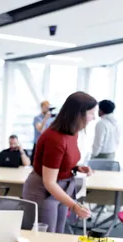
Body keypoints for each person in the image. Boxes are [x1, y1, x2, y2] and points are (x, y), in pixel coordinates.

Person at [23, 92, 94, 233]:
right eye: (91, 113)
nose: (94, 117)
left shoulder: (72, 133)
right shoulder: (55, 139)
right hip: (43, 191)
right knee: (46, 237)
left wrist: (76, 167)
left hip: (61, 189)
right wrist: (74, 206)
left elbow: (62, 160)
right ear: (78, 114)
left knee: (58, 234)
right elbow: (49, 182)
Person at [31, 100, 54, 164]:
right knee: (36, 163)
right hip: (38, 143)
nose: (47, 108)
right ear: (42, 107)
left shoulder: (53, 118)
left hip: (48, 144)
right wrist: (45, 119)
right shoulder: (37, 118)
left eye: (48, 107)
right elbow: (40, 130)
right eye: (45, 107)